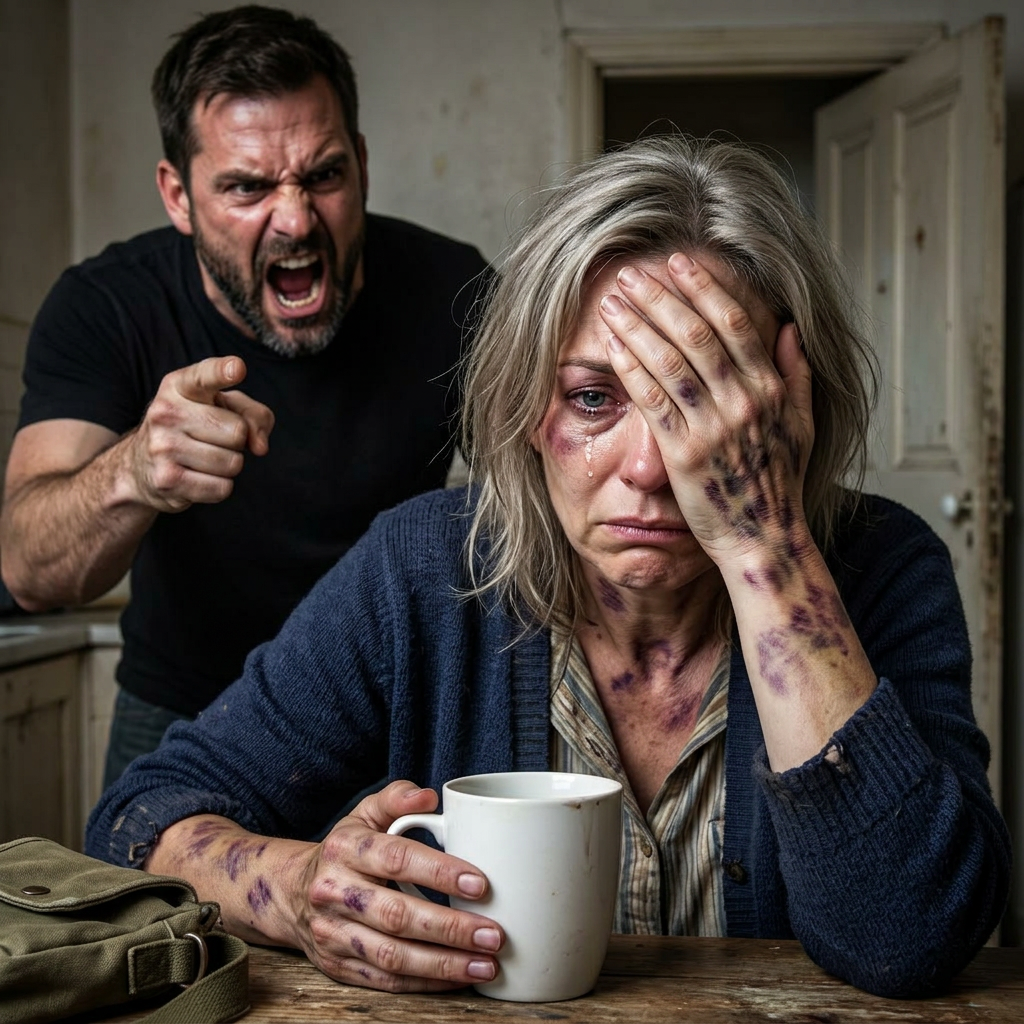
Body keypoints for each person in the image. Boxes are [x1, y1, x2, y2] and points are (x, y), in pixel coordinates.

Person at [86, 136, 1010, 999]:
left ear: (787, 408)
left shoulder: (882, 567)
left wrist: (767, 545)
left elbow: (912, 934)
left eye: (707, 402)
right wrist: (295, 888)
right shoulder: (424, 568)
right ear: (530, 405)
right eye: (594, 398)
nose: (650, 469)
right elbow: (139, 818)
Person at [0, 6, 487, 786]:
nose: (294, 220)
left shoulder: (454, 289)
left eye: (324, 176)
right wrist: (134, 473)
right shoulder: (106, 305)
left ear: (361, 162)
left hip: (394, 713)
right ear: (178, 195)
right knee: (142, 910)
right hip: (186, 714)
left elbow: (547, 489)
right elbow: (28, 567)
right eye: (246, 187)